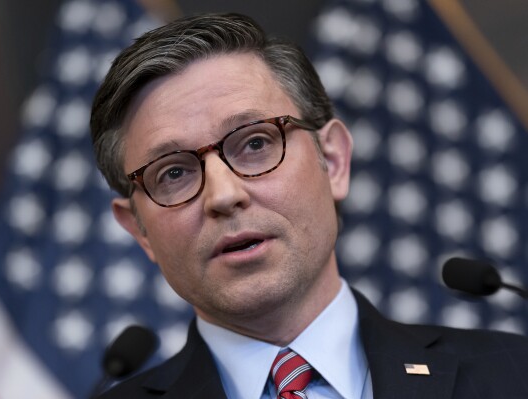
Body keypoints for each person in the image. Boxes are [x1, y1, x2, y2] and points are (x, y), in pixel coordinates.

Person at [90, 12, 528, 399]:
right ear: (139, 230)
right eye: (173, 173)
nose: (224, 195)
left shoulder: (513, 375)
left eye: (256, 143)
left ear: (333, 161)